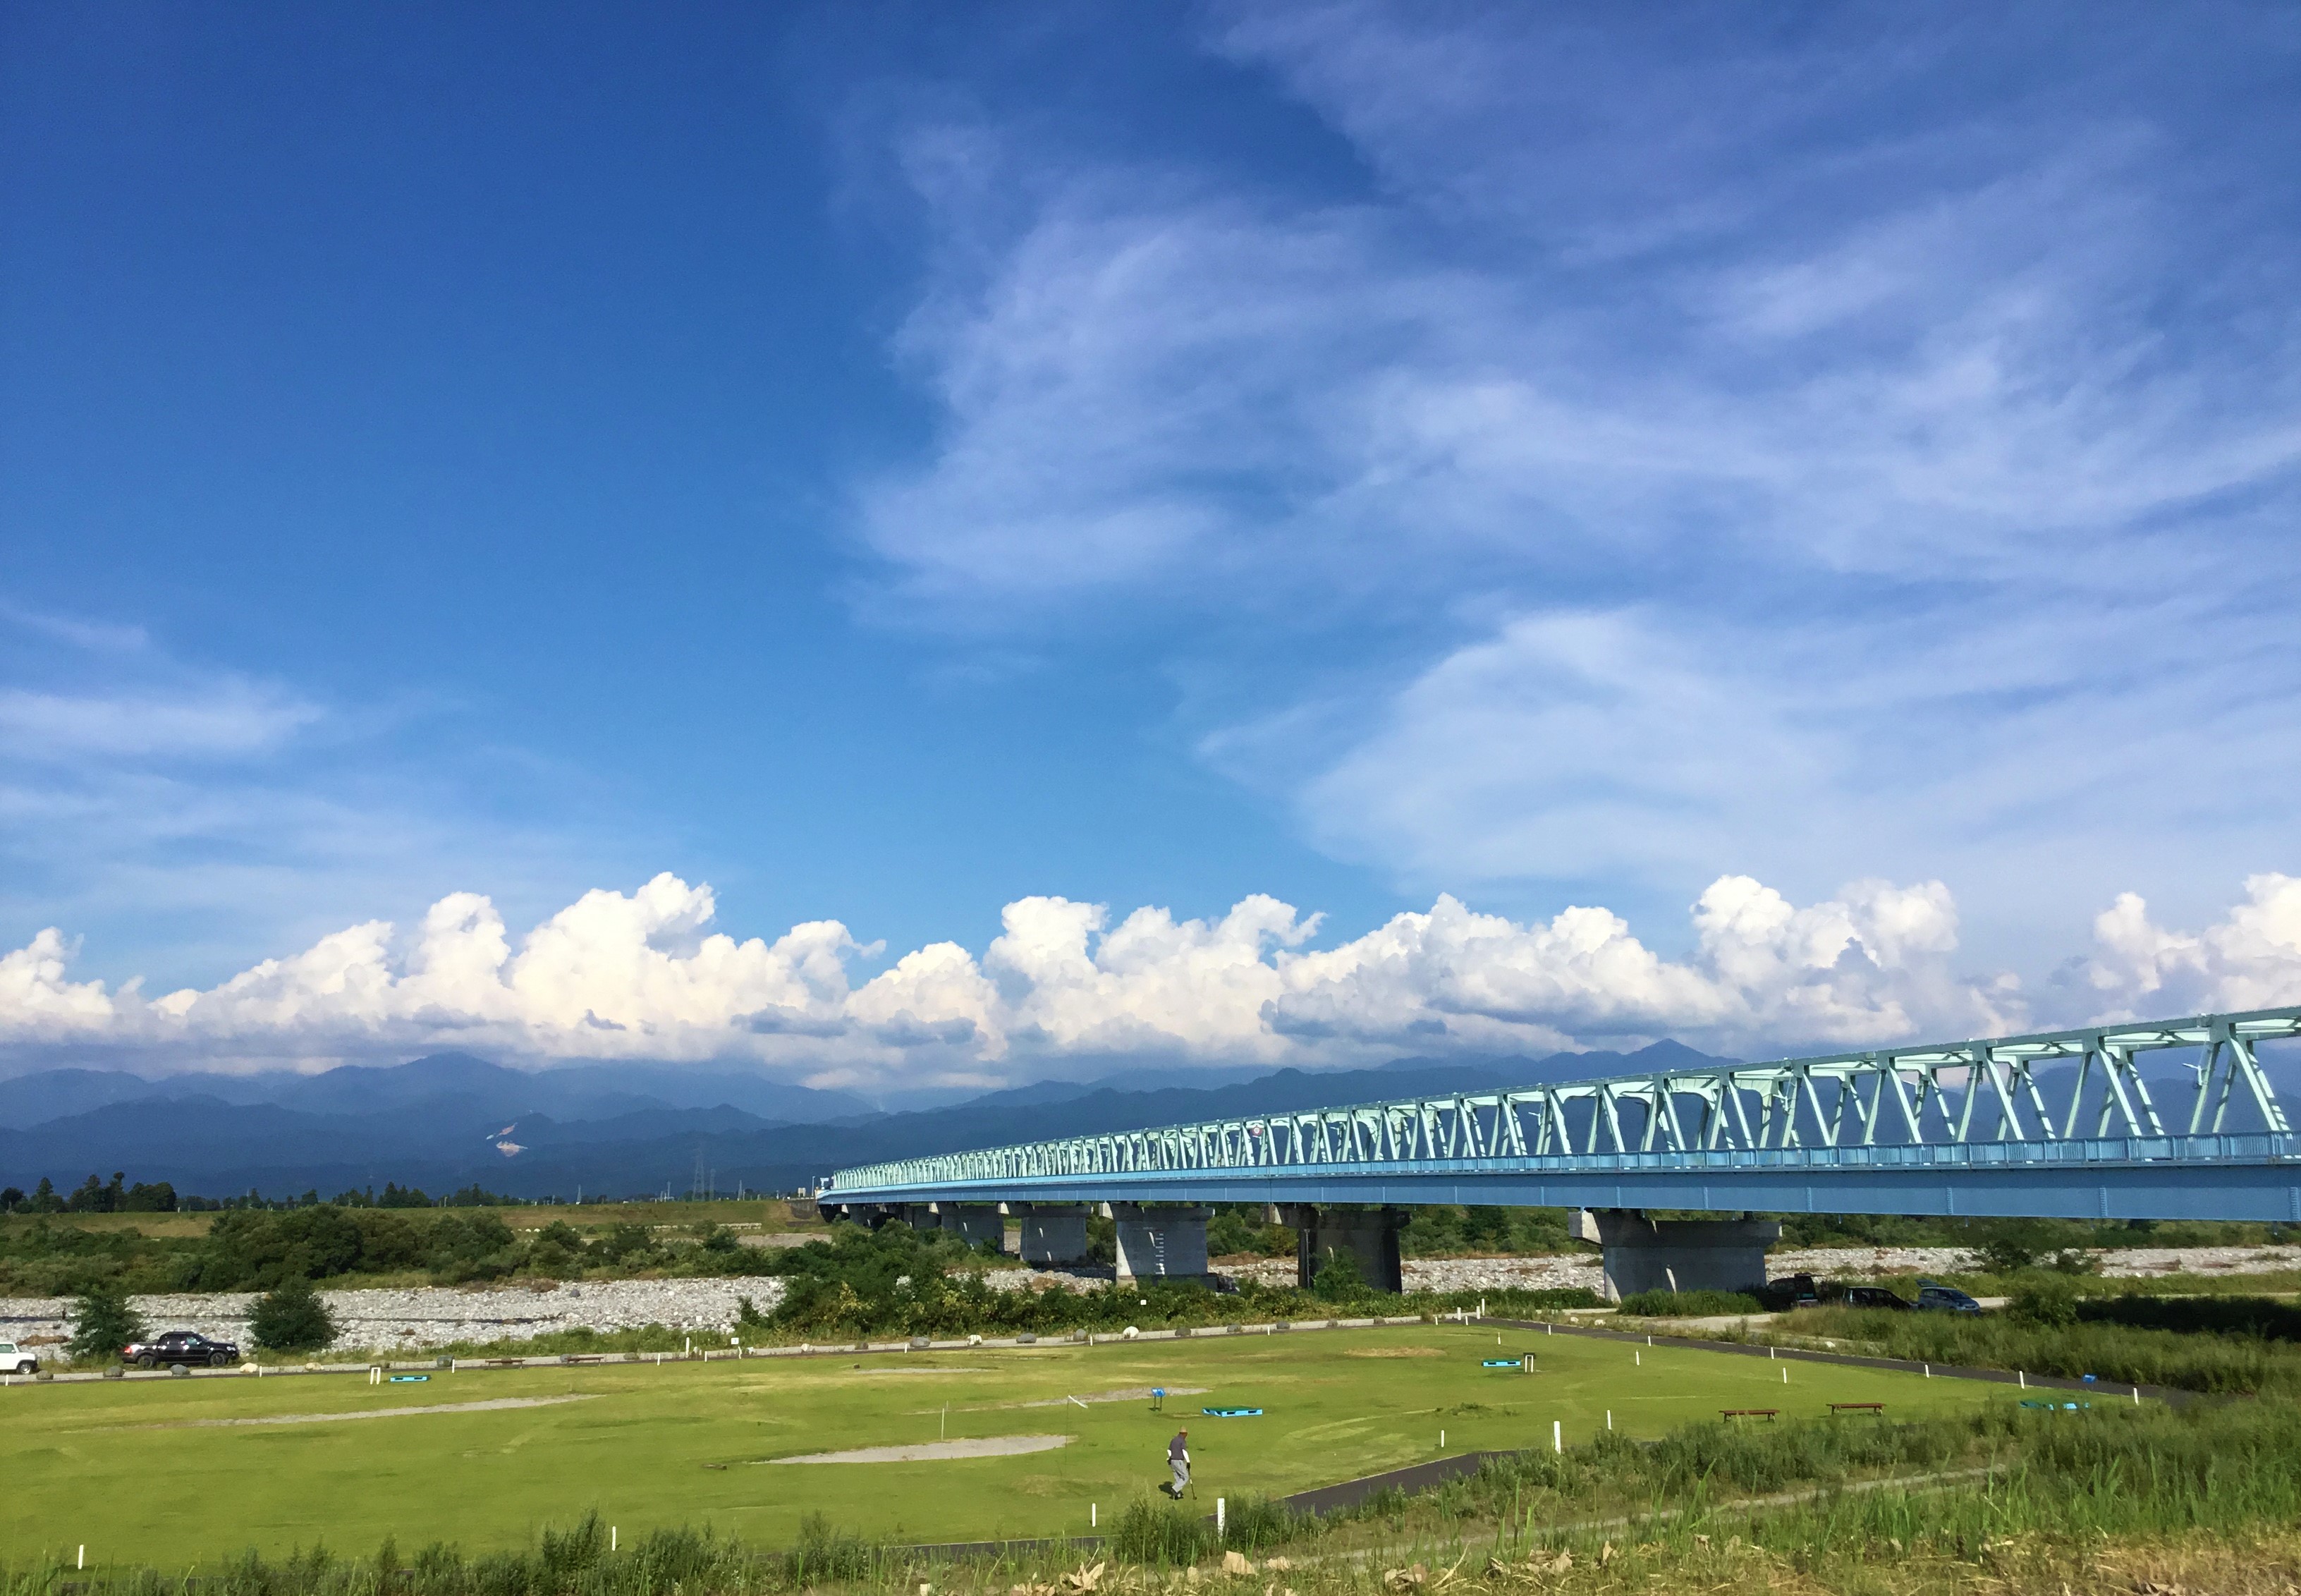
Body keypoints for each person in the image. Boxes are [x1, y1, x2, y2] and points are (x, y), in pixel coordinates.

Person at [1165, 1428, 1190, 1497]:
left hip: (1172, 1461)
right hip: (1178, 1461)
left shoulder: (1174, 1440)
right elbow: (1184, 1451)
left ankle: (1177, 1495)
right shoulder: (1182, 1441)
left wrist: (1171, 1457)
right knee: (1185, 1476)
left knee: (1178, 1477)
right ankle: (1175, 1489)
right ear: (1184, 1434)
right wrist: (1188, 1462)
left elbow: (1168, 1450)